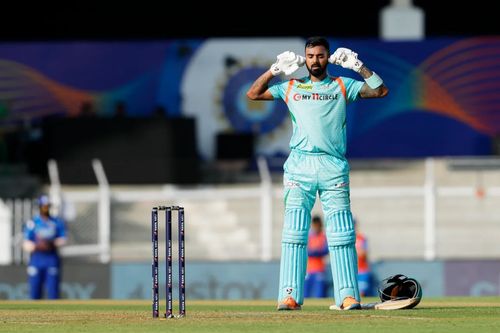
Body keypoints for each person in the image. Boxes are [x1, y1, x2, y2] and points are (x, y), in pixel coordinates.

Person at [246, 36, 388, 310]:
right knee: (294, 233)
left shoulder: (341, 85)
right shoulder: (291, 86)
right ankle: (289, 296)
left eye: (320, 56)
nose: (315, 61)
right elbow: (253, 94)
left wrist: (358, 66)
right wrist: (273, 70)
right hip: (299, 166)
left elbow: (380, 91)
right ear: (305, 57)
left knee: (342, 234)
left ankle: (347, 296)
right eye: (310, 56)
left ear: (328, 57)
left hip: (333, 166)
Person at [23, 195, 67, 299]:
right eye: (43, 206)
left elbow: (63, 239)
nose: (45, 209)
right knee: (35, 290)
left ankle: (55, 314)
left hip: (51, 258)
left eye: (47, 206)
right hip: (36, 259)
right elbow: (26, 243)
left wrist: (51, 243)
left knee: (53, 290)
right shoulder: (33, 223)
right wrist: (37, 246)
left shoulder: (56, 222)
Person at [304, 215, 329, 298]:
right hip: (308, 269)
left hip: (319, 269)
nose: (317, 227)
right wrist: (317, 251)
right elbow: (306, 251)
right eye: (315, 225)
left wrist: (314, 251)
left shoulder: (323, 236)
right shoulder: (309, 236)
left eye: (318, 225)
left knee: (320, 293)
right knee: (305, 293)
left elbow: (325, 250)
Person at [354, 217, 373, 297]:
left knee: (362, 293)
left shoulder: (361, 238)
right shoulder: (346, 240)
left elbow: (364, 253)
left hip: (362, 270)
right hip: (353, 270)